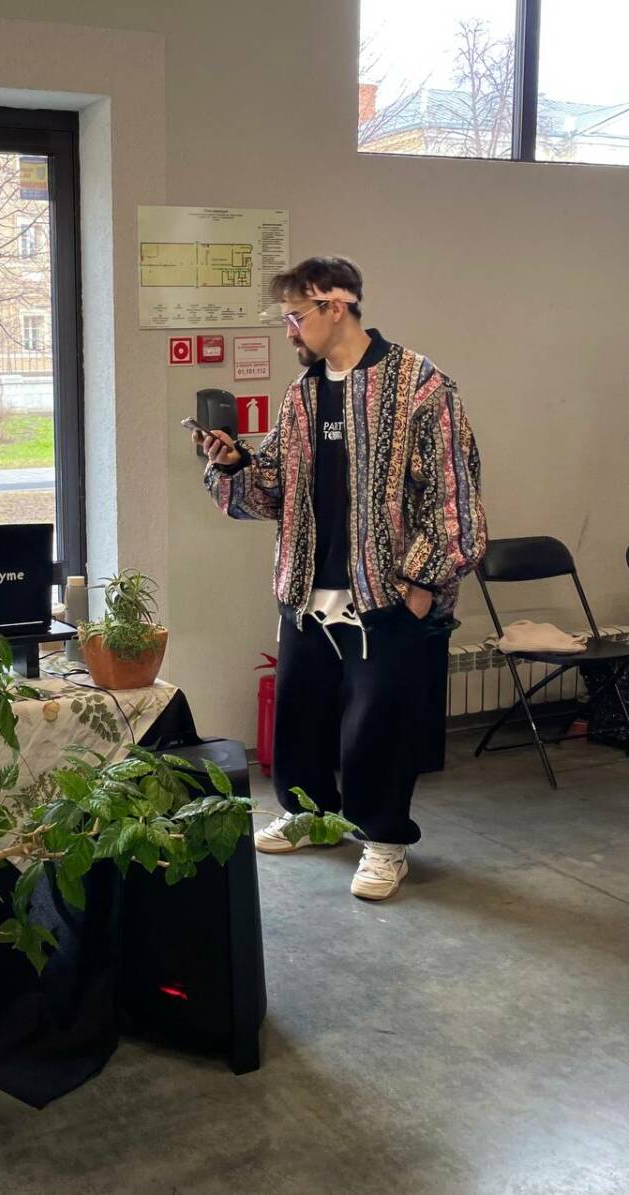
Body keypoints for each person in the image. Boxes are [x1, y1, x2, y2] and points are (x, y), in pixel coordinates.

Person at [197, 255, 486, 900]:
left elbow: (455, 501)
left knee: (378, 729)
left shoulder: (420, 386)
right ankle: (310, 817)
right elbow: (271, 493)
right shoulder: (302, 395)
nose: (289, 332)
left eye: (295, 317)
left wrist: (420, 589)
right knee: (301, 719)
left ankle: (383, 842)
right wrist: (235, 463)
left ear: (336, 305)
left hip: (389, 598)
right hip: (307, 592)